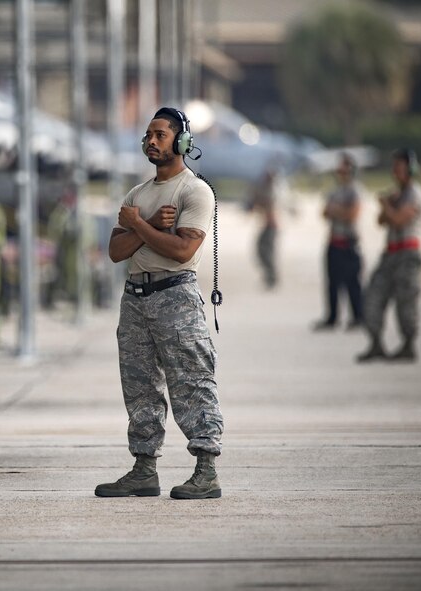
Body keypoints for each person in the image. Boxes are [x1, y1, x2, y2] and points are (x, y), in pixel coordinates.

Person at [95, 107, 223, 500]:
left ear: (182, 142)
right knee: (139, 386)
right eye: (147, 135)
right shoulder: (138, 195)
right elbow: (116, 251)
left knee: (191, 381)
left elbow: (183, 250)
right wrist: (146, 224)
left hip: (175, 295)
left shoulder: (194, 191)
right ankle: (143, 469)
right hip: (135, 298)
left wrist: (138, 224)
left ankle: (206, 470)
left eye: (160, 135)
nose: (151, 141)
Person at [357, 149, 421, 363]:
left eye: (399, 167)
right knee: (372, 297)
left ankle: (408, 345)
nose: (395, 172)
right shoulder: (397, 194)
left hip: (408, 253)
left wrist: (387, 205)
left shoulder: (415, 194)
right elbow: (381, 221)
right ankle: (376, 343)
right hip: (390, 252)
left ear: (410, 169)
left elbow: (398, 220)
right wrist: (388, 206)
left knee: (406, 302)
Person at [313, 153, 365, 330]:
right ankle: (332, 317)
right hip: (334, 241)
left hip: (349, 243)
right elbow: (325, 213)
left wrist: (337, 210)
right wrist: (339, 210)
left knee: (352, 282)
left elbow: (352, 215)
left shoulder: (355, 190)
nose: (341, 173)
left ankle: (358, 317)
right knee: (332, 283)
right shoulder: (334, 191)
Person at [246, 167, 280, 289]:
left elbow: (264, 202)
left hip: (270, 226)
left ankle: (271, 278)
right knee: (262, 251)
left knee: (265, 252)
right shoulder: (267, 189)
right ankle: (270, 277)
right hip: (267, 225)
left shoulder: (272, 190)